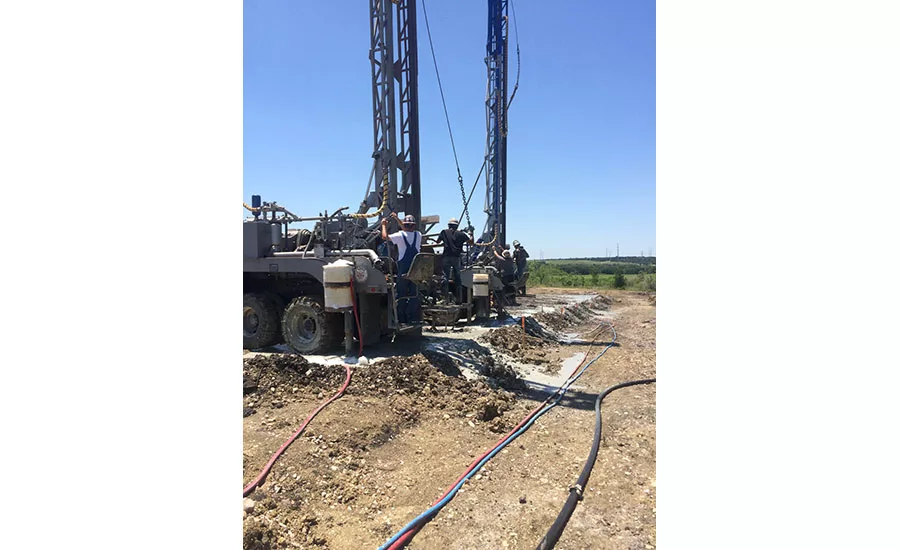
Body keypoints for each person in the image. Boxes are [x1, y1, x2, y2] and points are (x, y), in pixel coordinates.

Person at [381, 212, 422, 324]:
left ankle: (401, 320)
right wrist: (396, 218)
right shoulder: (418, 235)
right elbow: (407, 229)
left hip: (404, 270)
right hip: (416, 270)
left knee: (402, 294)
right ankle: (413, 319)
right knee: (414, 294)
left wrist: (383, 225)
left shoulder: (399, 235)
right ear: (414, 225)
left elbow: (385, 237)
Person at [435, 218, 474, 303]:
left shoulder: (444, 232)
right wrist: (471, 234)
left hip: (446, 257)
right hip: (456, 258)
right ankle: (459, 299)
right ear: (457, 226)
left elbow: (437, 242)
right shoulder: (461, 234)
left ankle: (445, 298)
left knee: (445, 277)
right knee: (458, 278)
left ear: (449, 225)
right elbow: (471, 243)